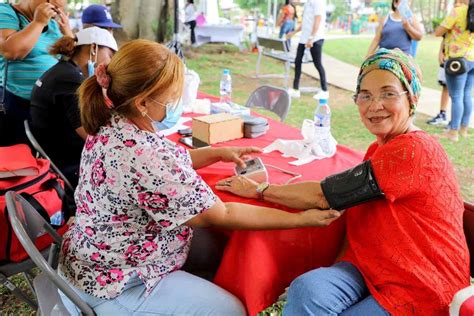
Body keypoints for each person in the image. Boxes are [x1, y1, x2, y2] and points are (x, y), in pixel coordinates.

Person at [57, 39, 341, 315]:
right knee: (231, 310)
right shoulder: (144, 152)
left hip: (94, 257)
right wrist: (299, 219)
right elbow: (223, 213)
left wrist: (218, 153)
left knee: (214, 247)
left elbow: (168, 164)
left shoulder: (112, 122)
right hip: (115, 284)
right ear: (143, 102)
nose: (175, 103)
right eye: (171, 97)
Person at [217, 49, 470, 315]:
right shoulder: (379, 148)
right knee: (308, 290)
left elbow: (323, 196)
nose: (374, 105)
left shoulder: (414, 149)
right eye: (365, 95)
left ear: (412, 98)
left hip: (421, 281)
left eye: (388, 93)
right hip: (370, 265)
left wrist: (260, 190)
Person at [30, 27, 117, 187]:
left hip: (53, 151)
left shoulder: (62, 70)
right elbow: (93, 137)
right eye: (110, 55)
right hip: (67, 163)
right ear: (93, 48)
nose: (110, 63)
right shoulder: (71, 80)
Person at [0, 0, 73, 146]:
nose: (55, 10)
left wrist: (68, 33)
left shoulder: (52, 24)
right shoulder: (6, 11)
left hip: (49, 105)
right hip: (18, 103)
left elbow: (72, 58)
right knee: (19, 157)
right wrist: (38, 22)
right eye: (53, 5)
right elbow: (11, 51)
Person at [435, 0, 474, 141]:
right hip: (472, 59)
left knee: (456, 96)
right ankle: (463, 129)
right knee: (467, 95)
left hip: (457, 60)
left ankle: (453, 132)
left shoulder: (458, 11)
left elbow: (438, 32)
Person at [287, 0, 328, 100]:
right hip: (304, 38)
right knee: (297, 62)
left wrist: (311, 38)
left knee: (317, 64)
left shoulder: (318, 2)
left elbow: (318, 19)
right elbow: (306, 22)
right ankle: (295, 89)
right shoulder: (308, 3)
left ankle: (324, 91)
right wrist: (294, 32)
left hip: (315, 38)